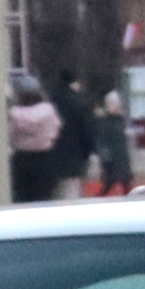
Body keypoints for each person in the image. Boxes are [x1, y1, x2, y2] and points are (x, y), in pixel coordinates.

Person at [8, 74, 64, 203]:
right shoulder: (48, 111)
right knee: (44, 198)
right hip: (45, 158)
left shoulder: (13, 114)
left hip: (21, 159)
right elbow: (56, 128)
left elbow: (9, 134)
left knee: (22, 198)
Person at [46, 71, 97, 200]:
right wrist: (90, 151)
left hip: (52, 158)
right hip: (75, 158)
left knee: (55, 195)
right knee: (71, 194)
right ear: (73, 83)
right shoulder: (79, 103)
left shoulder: (51, 103)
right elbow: (87, 131)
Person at [91, 90, 134, 195]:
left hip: (119, 157)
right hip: (112, 158)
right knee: (112, 183)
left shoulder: (118, 119)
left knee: (122, 183)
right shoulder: (106, 121)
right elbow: (103, 138)